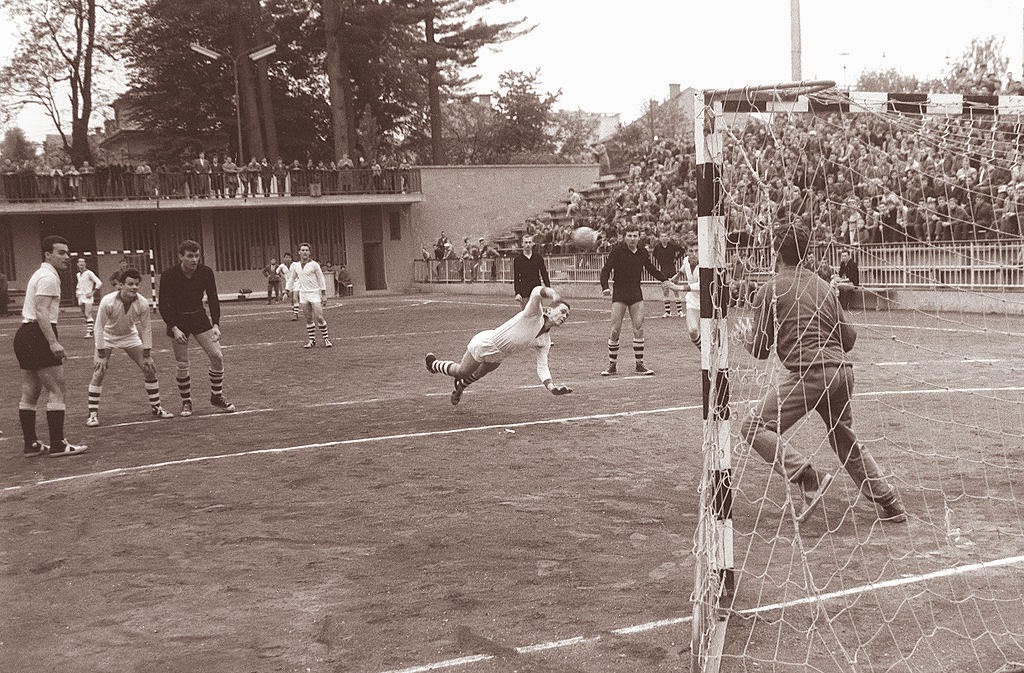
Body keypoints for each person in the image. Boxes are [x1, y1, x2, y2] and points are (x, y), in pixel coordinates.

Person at [735, 224, 906, 523]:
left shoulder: (769, 289)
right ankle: (890, 500)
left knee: (753, 427)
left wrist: (745, 338)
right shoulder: (824, 287)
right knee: (844, 438)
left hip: (809, 373)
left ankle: (807, 477)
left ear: (778, 254)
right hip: (842, 372)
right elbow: (849, 340)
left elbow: (761, 351)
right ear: (807, 254)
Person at [425, 285, 573, 405]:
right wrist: (552, 293)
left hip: (500, 356)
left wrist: (551, 387)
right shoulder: (534, 314)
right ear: (548, 310)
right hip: (485, 344)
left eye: (567, 315)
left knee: (478, 374)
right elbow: (535, 292)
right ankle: (433, 364)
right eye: (562, 311)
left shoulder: (545, 341)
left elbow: (542, 367)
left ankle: (460, 388)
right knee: (462, 372)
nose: (565, 316)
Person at [13, 235, 88, 456]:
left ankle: (31, 444)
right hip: (38, 334)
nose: (67, 257)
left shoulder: (41, 274)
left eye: (67, 252)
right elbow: (41, 311)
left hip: (25, 334)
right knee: (57, 389)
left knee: (31, 391)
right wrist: (53, 342)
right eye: (61, 253)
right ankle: (58, 444)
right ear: (48, 254)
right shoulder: (48, 277)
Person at [85, 268, 175, 426]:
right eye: (130, 284)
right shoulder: (108, 301)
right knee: (99, 371)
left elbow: (146, 328)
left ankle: (156, 407)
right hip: (107, 336)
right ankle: (92, 414)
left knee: (149, 369)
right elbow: (98, 327)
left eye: (136, 284)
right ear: (120, 285)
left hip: (130, 336)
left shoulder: (142, 303)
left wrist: (147, 353)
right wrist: (100, 354)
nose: (134, 287)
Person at [158, 239, 236, 417]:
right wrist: (174, 328)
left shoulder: (205, 272)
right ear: (181, 257)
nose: (194, 260)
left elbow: (213, 298)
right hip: (177, 320)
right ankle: (186, 401)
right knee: (182, 363)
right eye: (190, 256)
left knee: (217, 356)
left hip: (199, 317)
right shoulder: (169, 275)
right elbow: (163, 304)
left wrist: (216, 323)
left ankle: (216, 397)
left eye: (197, 256)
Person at [599, 225, 673, 376]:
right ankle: (612, 365)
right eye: (629, 236)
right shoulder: (617, 250)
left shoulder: (642, 252)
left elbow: (650, 268)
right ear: (624, 237)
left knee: (639, 328)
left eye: (635, 236)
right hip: (620, 292)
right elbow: (605, 270)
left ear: (639, 237)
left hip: (635, 293)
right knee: (615, 330)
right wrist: (605, 287)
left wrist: (664, 280)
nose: (632, 239)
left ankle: (640, 365)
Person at [292, 243, 332, 348]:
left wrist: (323, 294)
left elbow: (321, 278)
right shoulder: (296, 265)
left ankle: (326, 339)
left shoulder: (314, 265)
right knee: (308, 318)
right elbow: (292, 278)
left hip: (314, 293)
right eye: (303, 250)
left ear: (309, 252)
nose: (304, 252)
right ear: (299, 252)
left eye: (306, 250)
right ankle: (312, 340)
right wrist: (286, 291)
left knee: (319, 317)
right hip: (303, 294)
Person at [668, 243, 702, 350]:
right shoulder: (686, 260)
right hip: (693, 300)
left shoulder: (705, 264)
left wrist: (679, 288)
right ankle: (704, 351)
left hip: (709, 301)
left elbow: (702, 285)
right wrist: (677, 276)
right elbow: (683, 268)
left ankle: (711, 357)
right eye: (691, 251)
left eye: (697, 251)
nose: (694, 254)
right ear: (687, 252)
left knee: (713, 335)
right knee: (693, 330)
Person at [651, 231, 685, 318]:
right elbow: (654, 255)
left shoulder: (672, 246)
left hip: (672, 270)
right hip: (663, 271)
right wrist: (660, 262)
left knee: (676, 290)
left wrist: (676, 258)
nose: (664, 238)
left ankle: (680, 311)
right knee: (665, 291)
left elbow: (682, 250)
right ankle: (668, 312)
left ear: (668, 237)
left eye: (665, 236)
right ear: (660, 238)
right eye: (662, 236)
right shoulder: (657, 247)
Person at [512, 234, 551, 308]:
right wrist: (517, 293)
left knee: (539, 314)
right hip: (524, 291)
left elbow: (544, 273)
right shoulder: (518, 260)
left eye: (530, 242)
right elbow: (516, 277)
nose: (528, 245)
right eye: (526, 242)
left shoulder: (538, 257)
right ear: (522, 244)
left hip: (536, 290)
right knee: (526, 315)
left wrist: (548, 287)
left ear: (533, 244)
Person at [75, 258, 103, 338]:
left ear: (85, 264)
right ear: (77, 264)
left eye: (83, 262)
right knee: (85, 315)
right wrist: (77, 292)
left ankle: (89, 333)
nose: (81, 263)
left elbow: (99, 282)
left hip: (88, 296)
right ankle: (91, 329)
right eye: (79, 262)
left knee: (88, 314)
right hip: (80, 296)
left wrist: (92, 292)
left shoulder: (89, 273)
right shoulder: (78, 274)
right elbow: (79, 284)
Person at [276, 253, 296, 318]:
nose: (288, 259)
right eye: (286, 257)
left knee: (295, 297)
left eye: (289, 257)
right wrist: (283, 276)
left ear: (291, 258)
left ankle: (295, 312)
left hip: (296, 282)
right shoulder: (282, 266)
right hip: (288, 283)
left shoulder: (295, 264)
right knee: (292, 298)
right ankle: (294, 311)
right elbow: (277, 272)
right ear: (284, 258)